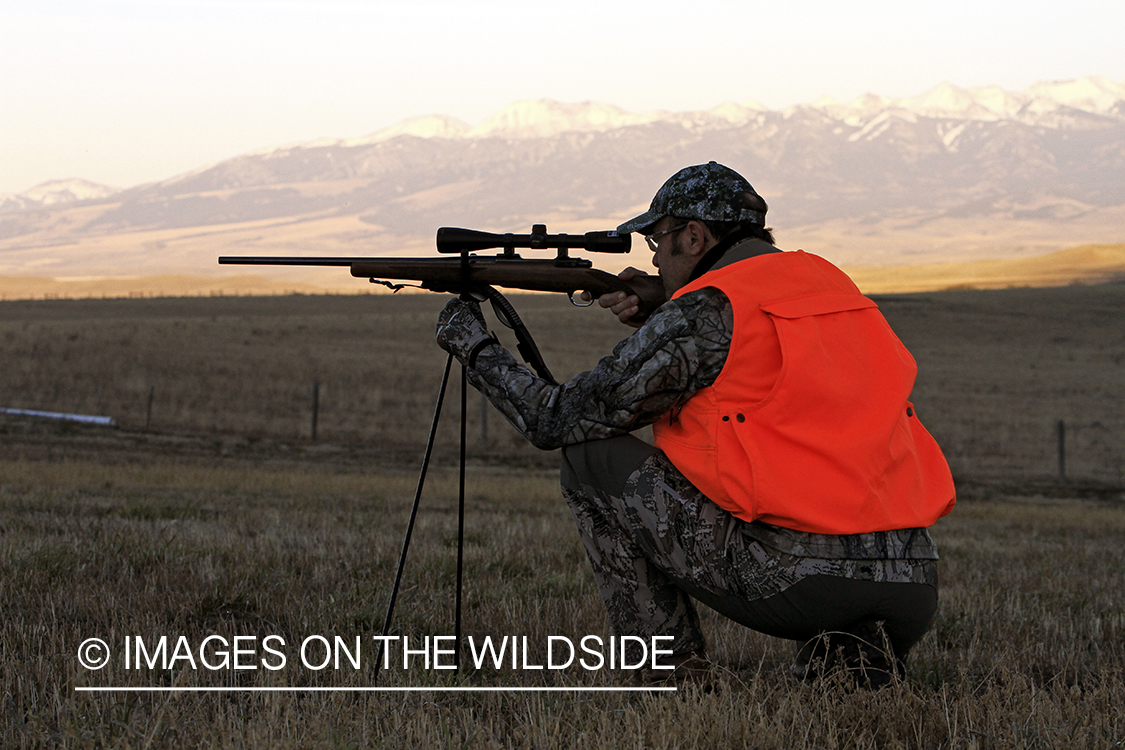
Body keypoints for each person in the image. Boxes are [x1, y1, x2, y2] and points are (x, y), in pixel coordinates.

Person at [435, 162, 955, 687]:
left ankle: (670, 676)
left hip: (797, 580)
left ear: (693, 235)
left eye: (658, 241)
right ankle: (851, 658)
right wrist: (667, 305)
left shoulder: (703, 314)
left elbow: (555, 419)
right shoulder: (834, 284)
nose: (655, 258)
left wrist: (476, 348)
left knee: (590, 457)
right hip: (912, 582)